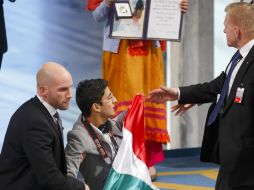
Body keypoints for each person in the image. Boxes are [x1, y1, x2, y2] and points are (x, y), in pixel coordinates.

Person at [148, 2, 254, 190]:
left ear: (237, 30)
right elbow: (219, 86)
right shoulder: (239, 57)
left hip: (246, 163)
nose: (223, 30)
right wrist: (179, 93)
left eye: (226, 25)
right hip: (231, 159)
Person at [87, 0, 188, 180]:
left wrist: (176, 10)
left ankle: (146, 161)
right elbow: (97, 16)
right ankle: (121, 161)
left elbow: (164, 12)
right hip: (119, 53)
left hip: (149, 52)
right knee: (121, 106)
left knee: (149, 103)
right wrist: (108, 3)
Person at [0, 62, 88, 190]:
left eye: (70, 87)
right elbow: (50, 179)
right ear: (43, 91)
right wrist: (82, 188)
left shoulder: (46, 111)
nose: (69, 95)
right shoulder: (35, 122)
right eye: (62, 89)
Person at [65, 79, 126, 190]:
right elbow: (66, 175)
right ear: (96, 107)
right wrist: (81, 187)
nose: (115, 100)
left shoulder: (111, 123)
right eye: (110, 98)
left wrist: (144, 102)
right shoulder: (79, 137)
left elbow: (129, 115)